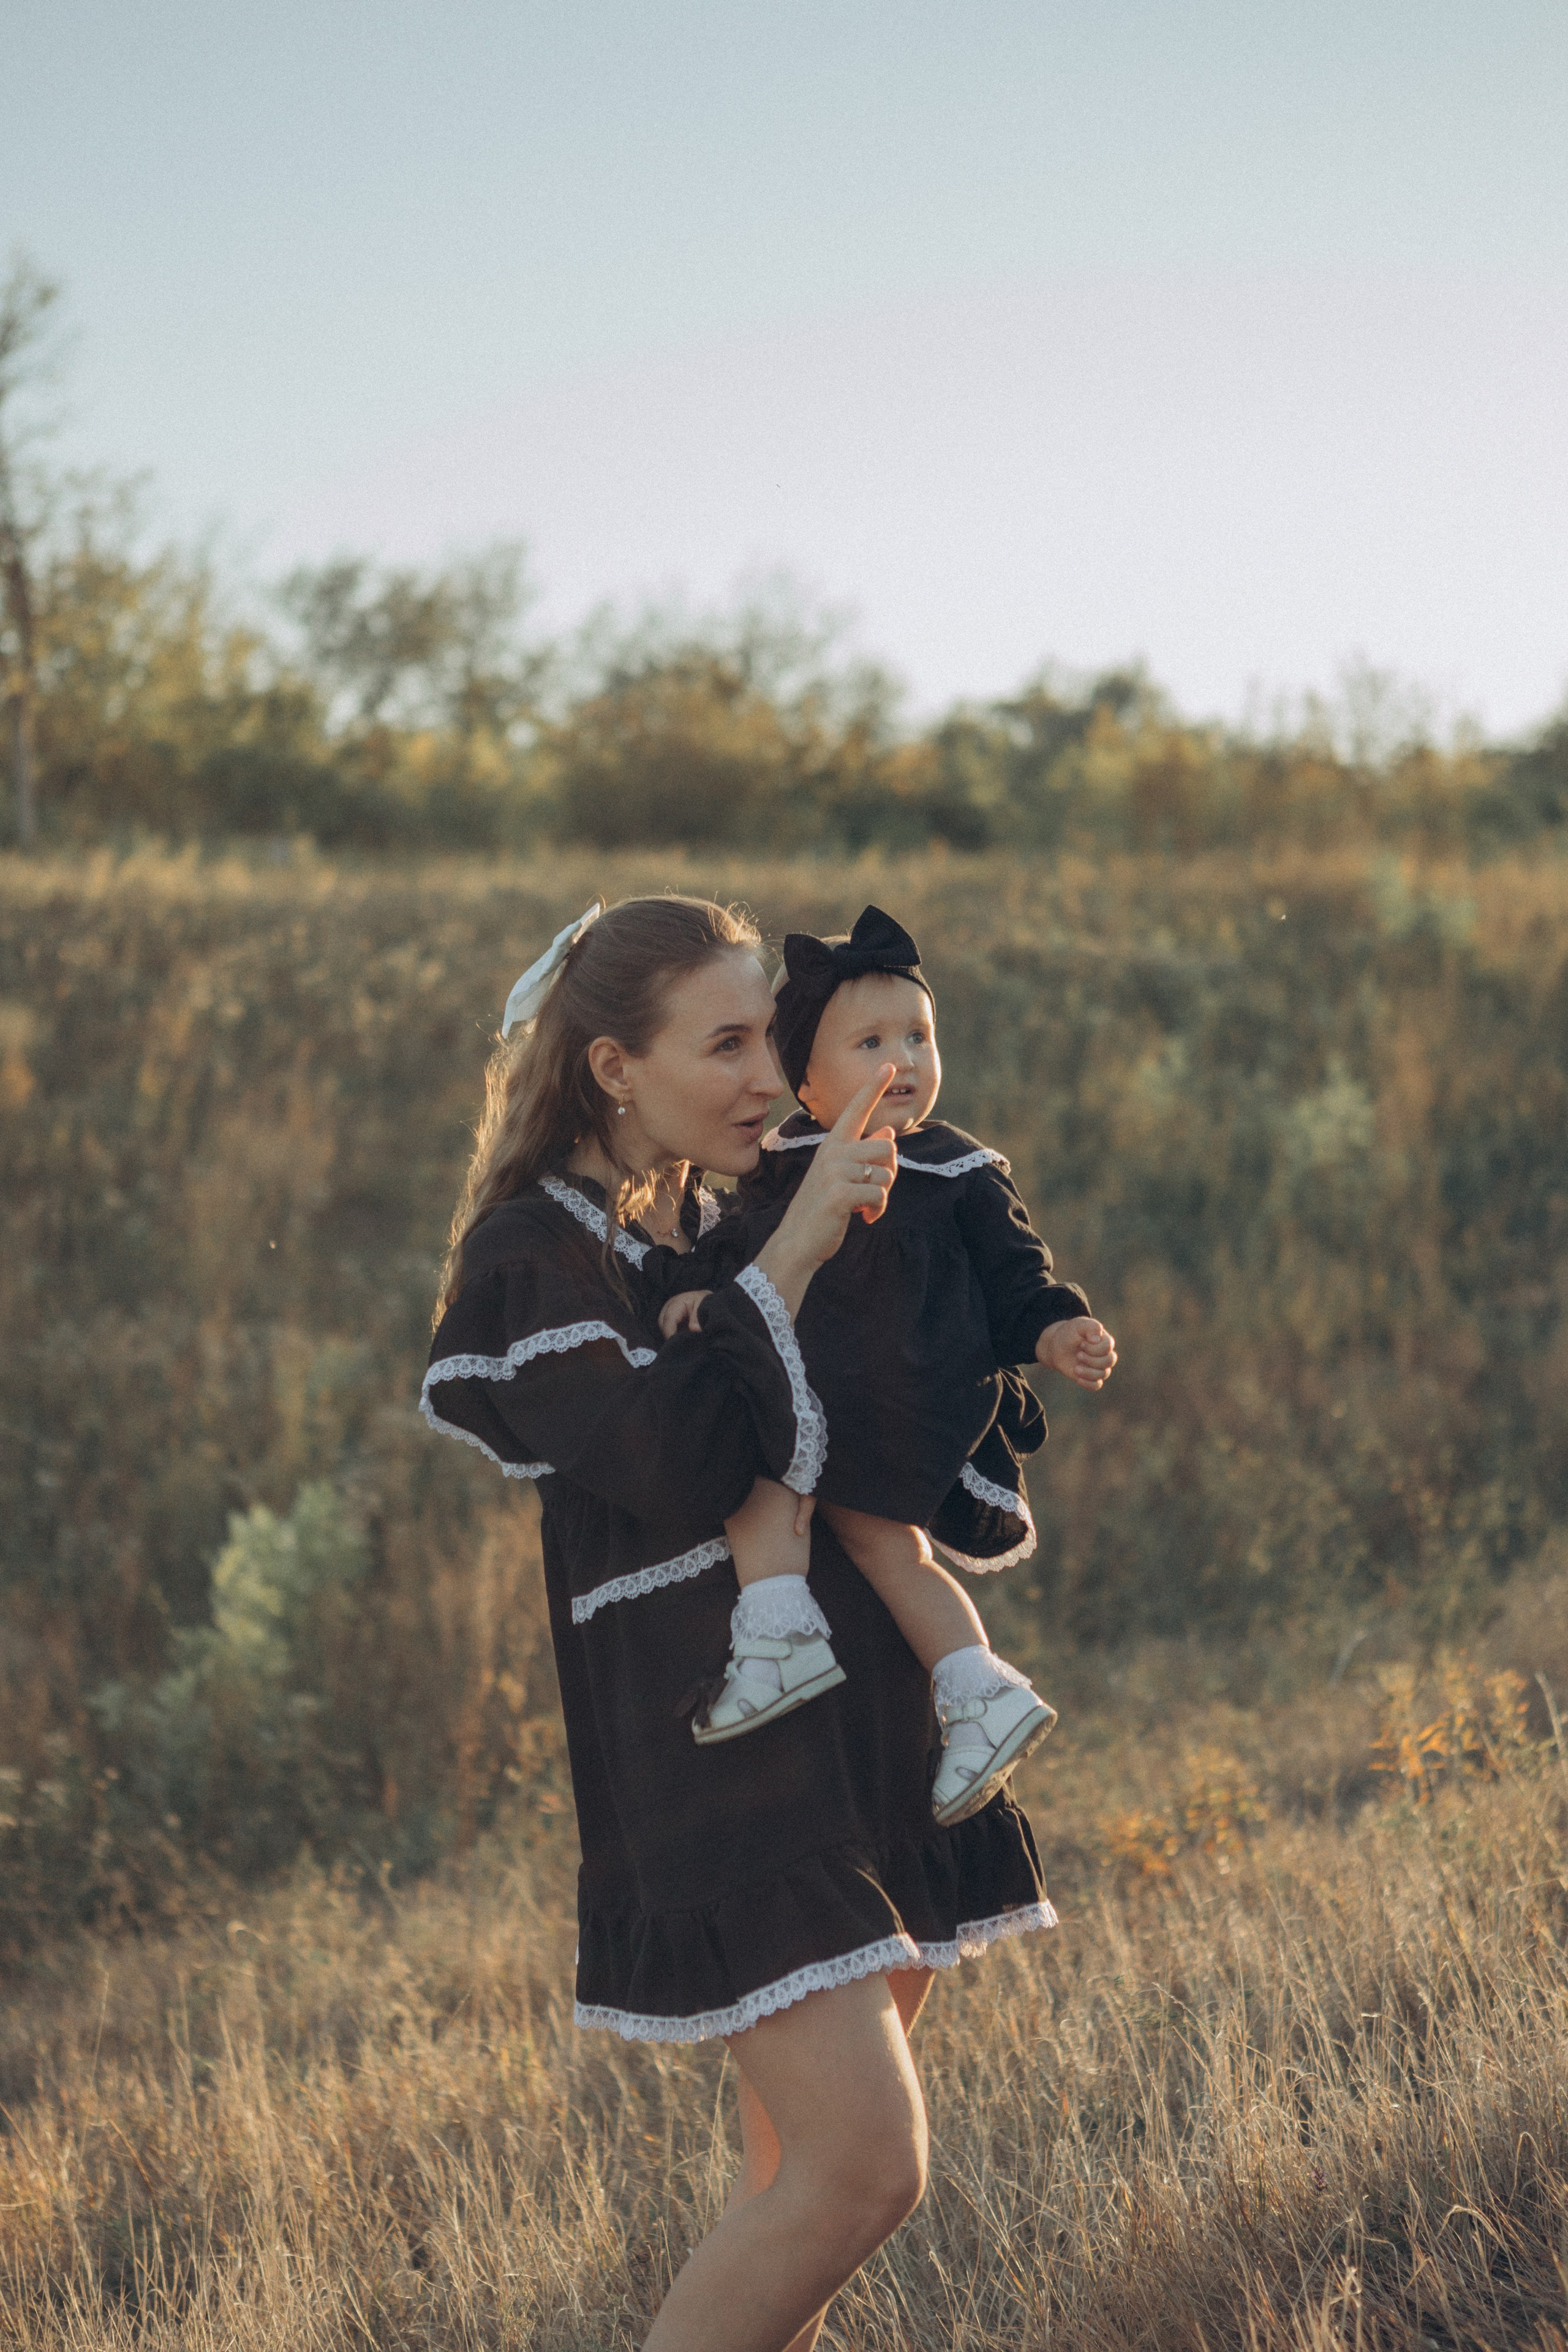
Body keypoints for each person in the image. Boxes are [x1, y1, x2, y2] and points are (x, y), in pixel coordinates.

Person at [421, 894, 1057, 2352]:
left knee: (792, 2182)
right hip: (714, 1750)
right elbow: (663, 1461)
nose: (771, 1079)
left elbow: (889, 1398)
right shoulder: (536, 1254)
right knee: (858, 2175)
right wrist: (787, 1265)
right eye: (725, 1045)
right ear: (611, 1070)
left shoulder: (722, 1213)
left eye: (765, 1038)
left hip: (850, 1714)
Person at [649, 905, 1117, 1826]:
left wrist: (1059, 1330)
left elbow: (1019, 1275)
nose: (903, 1059)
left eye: (919, 1035)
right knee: (876, 1540)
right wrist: (697, 1292)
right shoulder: (783, 1166)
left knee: (767, 1473)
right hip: (835, 1388)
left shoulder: (958, 1168)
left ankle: (787, 1640)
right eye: (870, 1042)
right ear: (803, 1080)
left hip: (907, 1391)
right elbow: (744, 1253)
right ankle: (977, 1689)